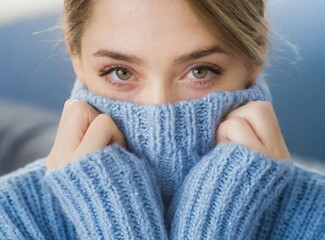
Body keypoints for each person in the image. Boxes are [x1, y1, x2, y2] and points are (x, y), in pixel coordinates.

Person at [0, 0, 324, 239]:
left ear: (257, 55)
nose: (159, 107)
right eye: (121, 72)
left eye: (200, 71)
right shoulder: (11, 215)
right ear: (76, 55)